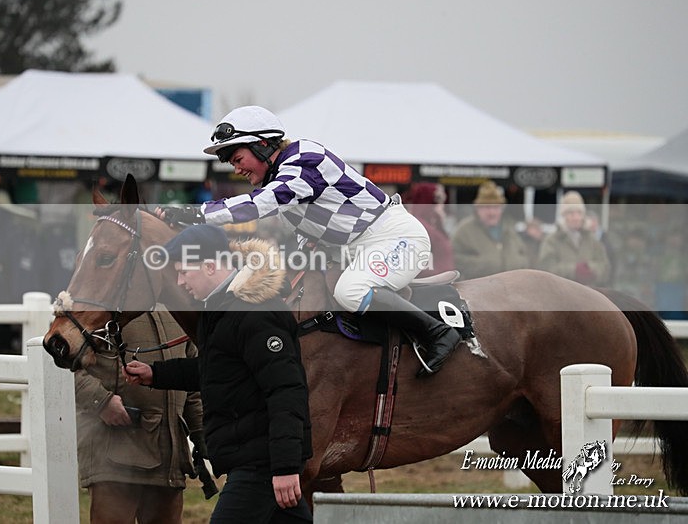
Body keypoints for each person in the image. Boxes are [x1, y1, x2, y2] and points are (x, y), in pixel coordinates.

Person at [157, 105, 460, 376]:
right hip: (358, 247)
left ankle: (437, 333)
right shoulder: (281, 175)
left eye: (238, 158)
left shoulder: (303, 160)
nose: (236, 169)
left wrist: (197, 214)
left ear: (263, 145)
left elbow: (260, 205)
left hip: (397, 238)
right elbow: (306, 234)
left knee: (351, 291)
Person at [124, 224, 314, 524]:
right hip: (256, 461)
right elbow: (220, 372)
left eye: (184, 271)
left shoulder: (253, 313)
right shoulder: (221, 309)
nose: (180, 281)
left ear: (210, 266)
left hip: (261, 465)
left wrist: (285, 468)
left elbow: (286, 390)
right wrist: (156, 374)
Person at [75, 311, 204, 524]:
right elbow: (67, 360)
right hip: (115, 454)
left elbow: (191, 378)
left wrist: (200, 432)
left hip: (169, 454)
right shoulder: (98, 304)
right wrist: (102, 401)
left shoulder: (175, 309)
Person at [450, 180, 530, 280]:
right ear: (477, 209)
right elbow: (453, 260)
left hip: (510, 288)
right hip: (477, 290)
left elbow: (523, 255)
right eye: (487, 207)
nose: (492, 213)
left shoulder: (510, 228)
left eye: (496, 207)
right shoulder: (463, 231)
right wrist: (486, 263)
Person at [537, 191, 610, 287]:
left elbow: (605, 267)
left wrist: (591, 270)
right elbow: (546, 270)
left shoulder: (592, 240)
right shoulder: (552, 241)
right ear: (564, 216)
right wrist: (574, 270)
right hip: (562, 294)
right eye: (571, 213)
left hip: (590, 294)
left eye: (579, 213)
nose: (576, 217)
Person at [402, 182, 455, 277]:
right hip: (429, 285)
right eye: (437, 202)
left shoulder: (434, 225)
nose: (442, 207)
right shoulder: (419, 228)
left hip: (441, 282)